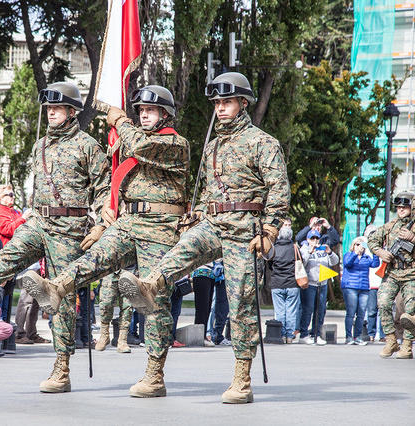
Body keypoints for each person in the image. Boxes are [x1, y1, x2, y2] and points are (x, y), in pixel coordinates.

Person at [106, 72, 290, 403]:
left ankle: (242, 378)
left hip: (245, 228)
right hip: (213, 223)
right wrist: (197, 214)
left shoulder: (263, 142)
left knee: (241, 302)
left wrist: (270, 230)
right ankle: (148, 286)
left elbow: (278, 189)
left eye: (226, 102)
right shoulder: (213, 145)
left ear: (243, 103)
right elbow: (206, 190)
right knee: (177, 254)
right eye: (217, 103)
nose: (220, 108)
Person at [0, 81, 110, 393]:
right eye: (49, 108)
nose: (51, 113)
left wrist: (99, 224)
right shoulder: (40, 145)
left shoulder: (88, 146)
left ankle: (62, 366)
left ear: (72, 112)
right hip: (40, 221)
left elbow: (105, 189)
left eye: (58, 108)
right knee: (9, 254)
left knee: (60, 296)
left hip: (70, 228)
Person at [20, 84, 189, 397]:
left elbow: (139, 144)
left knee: (155, 301)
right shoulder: (132, 141)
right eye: (141, 111)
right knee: (92, 260)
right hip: (128, 221)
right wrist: (105, 216)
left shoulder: (174, 143)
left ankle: (154, 375)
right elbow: (117, 179)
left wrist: (119, 120)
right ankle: (55, 288)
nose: (144, 115)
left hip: (160, 227)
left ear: (165, 114)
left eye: (151, 110)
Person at [368, 192, 415, 359]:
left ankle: (407, 346)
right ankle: (391, 340)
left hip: (412, 274)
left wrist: (413, 238)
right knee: (383, 302)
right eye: (399, 207)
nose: (401, 210)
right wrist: (381, 252)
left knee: (409, 311)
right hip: (393, 272)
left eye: (405, 207)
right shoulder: (390, 226)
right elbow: (372, 240)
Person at [0, 184, 32, 321]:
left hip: (15, 259)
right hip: (4, 259)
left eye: (13, 194)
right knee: (0, 296)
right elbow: (8, 229)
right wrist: (23, 218)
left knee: (8, 295)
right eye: (8, 195)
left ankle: (6, 324)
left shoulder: (15, 212)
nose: (12, 197)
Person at [298, 230, 339, 345]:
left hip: (322, 284)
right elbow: (302, 264)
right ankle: (304, 334)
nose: (315, 241)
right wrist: (310, 252)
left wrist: (329, 252)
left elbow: (335, 261)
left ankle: (316, 334)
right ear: (308, 240)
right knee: (308, 309)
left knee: (320, 310)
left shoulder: (323, 250)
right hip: (310, 284)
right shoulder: (304, 249)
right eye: (312, 238)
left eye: (317, 238)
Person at [267, 221, 301, 344]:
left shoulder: (273, 248)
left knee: (280, 311)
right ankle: (289, 336)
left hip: (277, 284)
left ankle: (280, 335)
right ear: (290, 236)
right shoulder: (294, 248)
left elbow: (269, 265)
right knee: (291, 311)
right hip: (292, 283)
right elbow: (300, 262)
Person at [341, 236, 379, 345]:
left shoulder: (366, 257)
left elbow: (375, 264)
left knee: (361, 313)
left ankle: (357, 336)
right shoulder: (348, 255)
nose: (359, 247)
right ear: (353, 246)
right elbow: (347, 263)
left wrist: (375, 252)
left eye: (361, 245)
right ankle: (348, 337)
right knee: (351, 312)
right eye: (357, 244)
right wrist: (355, 254)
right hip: (350, 287)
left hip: (364, 288)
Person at [95, 271, 132, 353]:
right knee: (106, 303)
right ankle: (104, 335)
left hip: (129, 270)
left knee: (127, 307)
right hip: (110, 271)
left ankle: (122, 340)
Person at [364, 225, 384, 342]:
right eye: (371, 233)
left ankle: (383, 335)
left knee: (384, 310)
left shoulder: (383, 248)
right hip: (371, 283)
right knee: (371, 311)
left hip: (383, 284)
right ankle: (371, 333)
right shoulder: (364, 248)